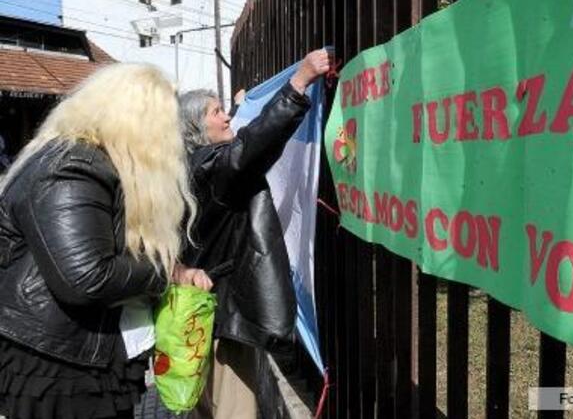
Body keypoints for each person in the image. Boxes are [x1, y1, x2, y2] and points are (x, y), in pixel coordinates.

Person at [0, 63, 212, 419]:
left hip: (86, 353)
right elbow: (85, 277)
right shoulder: (70, 167)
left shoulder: (96, 162)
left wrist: (172, 267)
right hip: (56, 362)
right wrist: (166, 274)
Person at [179, 49, 330, 419]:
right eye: (217, 112)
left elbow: (242, 144)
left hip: (209, 315)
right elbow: (250, 148)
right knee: (233, 409)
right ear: (198, 128)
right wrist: (298, 84)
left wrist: (244, 107)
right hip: (222, 323)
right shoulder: (212, 168)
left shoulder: (187, 168)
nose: (227, 116)